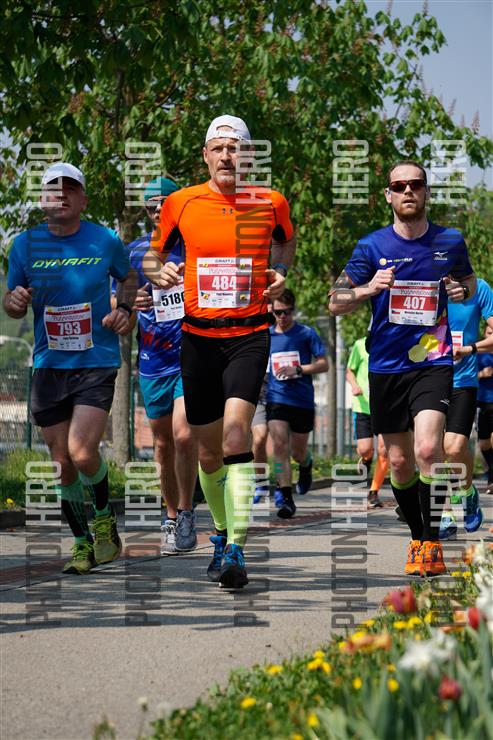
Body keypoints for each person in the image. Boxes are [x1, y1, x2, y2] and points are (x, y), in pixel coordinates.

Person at [143, 115, 296, 588]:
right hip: (198, 339)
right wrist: (158, 271)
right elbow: (153, 254)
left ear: (247, 156)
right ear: (206, 155)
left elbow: (286, 244)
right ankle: (222, 531)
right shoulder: (181, 203)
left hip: (249, 336)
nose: (227, 156)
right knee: (208, 454)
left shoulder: (271, 202)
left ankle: (236, 550)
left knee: (235, 438)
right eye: (219, 148)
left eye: (236, 148)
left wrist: (281, 272)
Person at [328, 160, 476, 577]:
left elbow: (468, 282)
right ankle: (417, 536)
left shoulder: (450, 241)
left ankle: (431, 541)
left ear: (426, 192)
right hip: (386, 366)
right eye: (399, 186)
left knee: (428, 449)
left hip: (433, 359)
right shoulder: (371, 246)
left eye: (416, 184)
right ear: (389, 195)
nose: (408, 191)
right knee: (398, 462)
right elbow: (334, 302)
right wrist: (368, 288)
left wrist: (460, 290)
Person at [3, 162, 133, 575]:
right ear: (42, 199)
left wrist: (125, 309)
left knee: (82, 451)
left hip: (96, 360)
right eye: (52, 189)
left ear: (83, 200)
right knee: (61, 461)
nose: (60, 195)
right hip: (49, 363)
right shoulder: (24, 245)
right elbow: (11, 300)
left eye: (70, 189)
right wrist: (14, 302)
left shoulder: (104, 239)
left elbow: (129, 278)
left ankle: (103, 516)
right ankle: (81, 543)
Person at [123, 177, 198, 554]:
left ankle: (186, 512)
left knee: (184, 435)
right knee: (163, 445)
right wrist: (130, 303)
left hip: (190, 354)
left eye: (163, 202)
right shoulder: (135, 251)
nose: (156, 209)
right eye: (150, 204)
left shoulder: (195, 245)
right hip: (153, 361)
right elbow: (119, 308)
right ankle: (170, 516)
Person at [266, 289, 328, 518]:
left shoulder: (306, 334)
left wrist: (299, 369)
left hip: (301, 400)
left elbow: (324, 364)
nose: (282, 317)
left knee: (297, 453)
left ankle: (306, 464)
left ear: (293, 310)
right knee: (279, 446)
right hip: (276, 397)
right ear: (272, 311)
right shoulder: (266, 336)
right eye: (278, 312)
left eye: (287, 312)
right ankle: (285, 497)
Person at [438, 279, 493, 537]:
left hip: (463, 380)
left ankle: (468, 493)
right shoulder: (424, 283)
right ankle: (445, 513)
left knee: (454, 447)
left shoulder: (478, 288)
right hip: (428, 378)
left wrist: (470, 349)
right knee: (433, 448)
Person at [346, 335, 389, 508]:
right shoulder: (360, 344)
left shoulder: (391, 343)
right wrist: (354, 385)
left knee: (384, 451)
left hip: (385, 407)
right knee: (365, 449)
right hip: (363, 406)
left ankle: (373, 492)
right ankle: (366, 458)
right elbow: (350, 370)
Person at [475, 325, 493, 494]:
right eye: (489, 333)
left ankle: (491, 478)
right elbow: (468, 376)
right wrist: (482, 374)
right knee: (484, 443)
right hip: (482, 402)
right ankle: (491, 471)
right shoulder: (478, 353)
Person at [251, 372, 270, 504]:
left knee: (285, 447)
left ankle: (283, 488)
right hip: (258, 398)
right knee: (259, 439)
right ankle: (261, 482)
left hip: (285, 396)